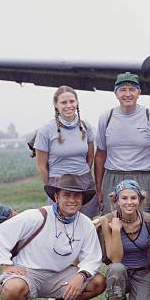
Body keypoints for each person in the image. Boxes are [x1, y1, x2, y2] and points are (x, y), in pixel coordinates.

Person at [0, 174, 106, 300]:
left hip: (60, 276)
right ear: (56, 197)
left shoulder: (85, 223)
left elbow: (93, 257)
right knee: (12, 290)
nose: (72, 200)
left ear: (82, 199)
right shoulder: (36, 216)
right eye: (66, 195)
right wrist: (6, 264)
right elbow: (0, 233)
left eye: (76, 195)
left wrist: (81, 275)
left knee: (98, 282)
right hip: (29, 274)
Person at [94, 72, 150, 215]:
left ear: (139, 92)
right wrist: (99, 189)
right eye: (122, 90)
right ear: (115, 93)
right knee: (111, 223)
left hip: (142, 177)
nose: (127, 94)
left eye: (132, 89)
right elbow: (100, 155)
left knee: (144, 223)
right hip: (113, 177)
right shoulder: (106, 118)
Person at [100, 180, 150, 300]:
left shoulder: (149, 221)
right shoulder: (107, 220)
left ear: (140, 200)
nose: (129, 202)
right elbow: (115, 258)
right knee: (116, 268)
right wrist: (116, 232)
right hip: (121, 273)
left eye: (133, 198)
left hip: (142, 272)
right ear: (117, 200)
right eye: (124, 198)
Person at [34, 85, 99, 218]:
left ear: (77, 103)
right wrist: (52, 186)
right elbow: (41, 166)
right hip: (59, 182)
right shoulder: (46, 130)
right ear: (56, 105)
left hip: (83, 183)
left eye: (72, 101)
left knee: (87, 222)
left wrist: (82, 174)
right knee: (60, 224)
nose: (68, 105)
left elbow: (90, 156)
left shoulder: (85, 127)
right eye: (63, 102)